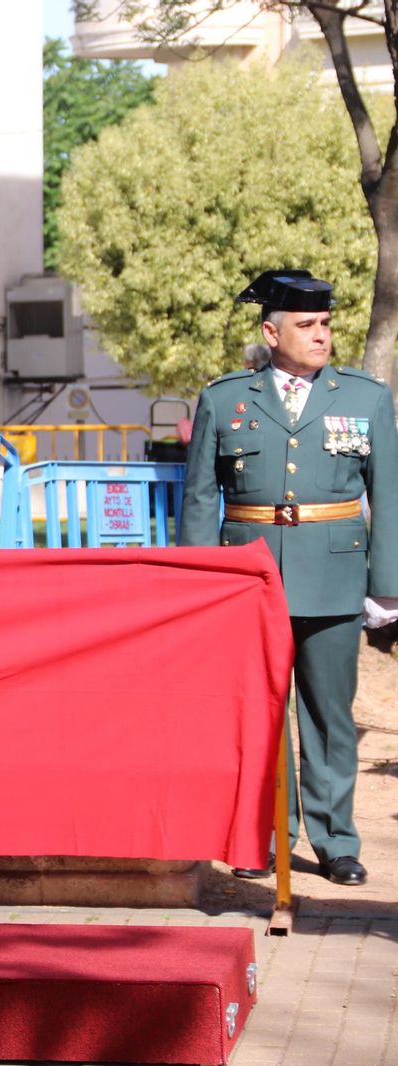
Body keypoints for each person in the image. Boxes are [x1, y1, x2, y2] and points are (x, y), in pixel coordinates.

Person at [181, 270, 398, 888]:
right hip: (251, 581)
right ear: (270, 331)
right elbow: (200, 499)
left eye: (326, 324)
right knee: (260, 716)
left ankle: (336, 842)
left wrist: (386, 584)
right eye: (307, 325)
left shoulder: (365, 397)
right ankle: (265, 838)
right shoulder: (226, 398)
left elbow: (390, 493)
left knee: (329, 716)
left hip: (334, 578)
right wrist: (200, 581)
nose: (321, 336)